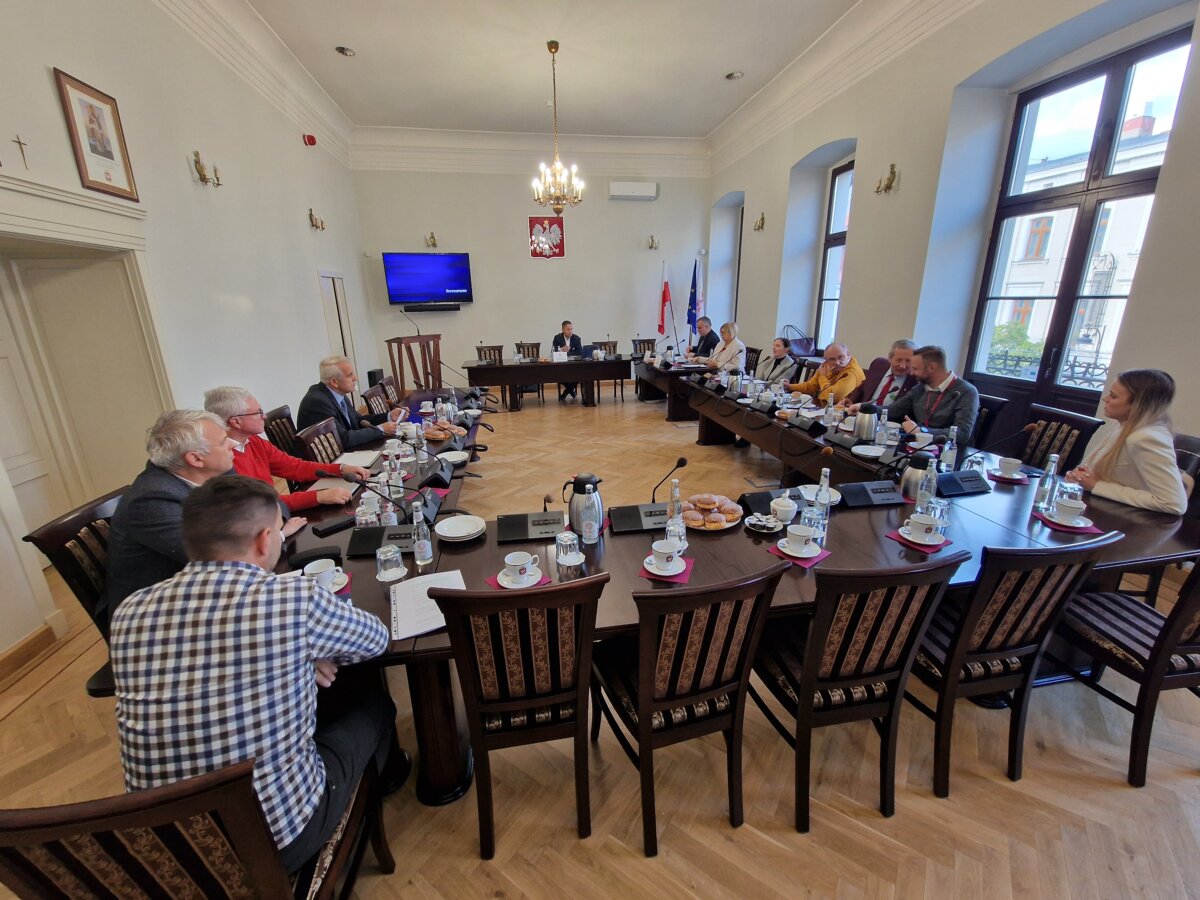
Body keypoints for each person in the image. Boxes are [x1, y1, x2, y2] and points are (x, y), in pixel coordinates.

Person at [110, 476, 402, 873]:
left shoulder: (130, 612)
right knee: (371, 699)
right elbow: (376, 641)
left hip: (170, 849)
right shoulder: (294, 599)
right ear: (266, 540)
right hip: (276, 840)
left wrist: (299, 655)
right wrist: (310, 653)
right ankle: (382, 783)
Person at [97, 410, 236, 637]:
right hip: (156, 621)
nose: (232, 444)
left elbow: (266, 503)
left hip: (202, 589)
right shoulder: (152, 499)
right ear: (195, 459)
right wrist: (274, 534)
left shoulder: (215, 470)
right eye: (223, 442)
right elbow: (220, 557)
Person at [205, 386, 371, 512]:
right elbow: (258, 505)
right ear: (235, 421)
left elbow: (294, 466)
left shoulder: (253, 441)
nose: (264, 416)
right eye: (258, 413)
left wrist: (340, 469)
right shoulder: (221, 460)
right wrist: (317, 496)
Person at [1065, 369, 1187, 515]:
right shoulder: (1125, 426)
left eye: (1113, 396)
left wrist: (1097, 486)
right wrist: (1080, 477)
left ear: (1137, 404)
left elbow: (1174, 503)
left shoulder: (1146, 438)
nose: (1105, 399)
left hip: (1127, 521)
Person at [855, 344, 977, 439]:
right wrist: (864, 408)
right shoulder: (921, 387)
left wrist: (922, 431)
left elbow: (962, 432)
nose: (911, 373)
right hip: (916, 445)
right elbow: (894, 410)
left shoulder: (967, 392)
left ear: (931, 368)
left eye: (915, 369)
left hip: (947, 453)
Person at [297, 356, 407, 449]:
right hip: (327, 462)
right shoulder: (318, 402)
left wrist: (389, 416)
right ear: (334, 382)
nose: (356, 378)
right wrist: (381, 430)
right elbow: (342, 439)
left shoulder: (337, 393)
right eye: (350, 375)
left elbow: (359, 421)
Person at [842, 339, 917, 407]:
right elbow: (863, 386)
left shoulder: (915, 380)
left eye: (908, 361)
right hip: (862, 412)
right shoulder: (879, 364)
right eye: (899, 360)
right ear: (890, 358)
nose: (902, 366)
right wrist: (850, 400)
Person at [784, 342, 865, 403]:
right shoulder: (826, 366)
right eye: (832, 359)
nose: (837, 362)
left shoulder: (852, 373)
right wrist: (789, 386)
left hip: (840, 411)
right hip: (820, 405)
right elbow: (811, 387)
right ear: (826, 360)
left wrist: (823, 377)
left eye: (841, 357)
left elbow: (833, 397)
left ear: (848, 355)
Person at [553, 320, 583, 400]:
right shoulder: (557, 338)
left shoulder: (576, 338)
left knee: (580, 375)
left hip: (574, 365)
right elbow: (554, 352)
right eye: (568, 329)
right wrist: (561, 350)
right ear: (563, 330)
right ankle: (571, 391)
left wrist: (566, 353)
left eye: (571, 329)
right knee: (558, 375)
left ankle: (565, 393)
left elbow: (580, 352)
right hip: (561, 365)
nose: (570, 331)